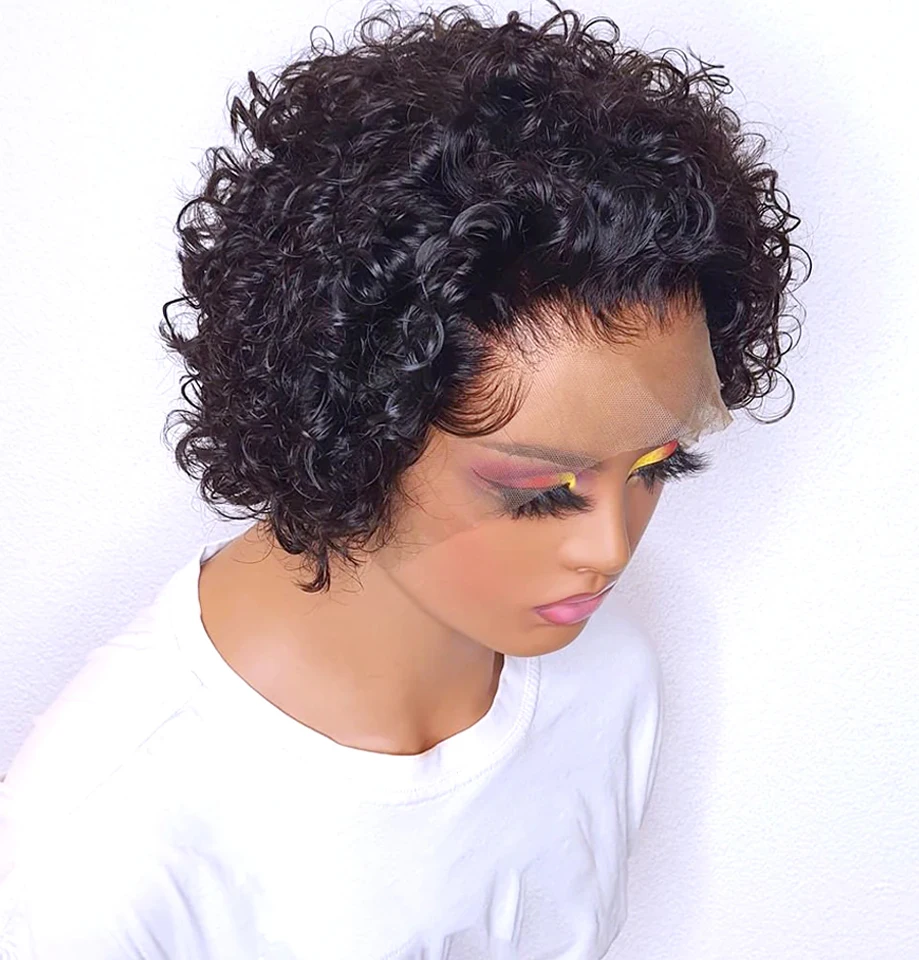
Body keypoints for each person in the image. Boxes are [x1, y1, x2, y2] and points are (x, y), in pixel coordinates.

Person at [0, 3, 807, 957]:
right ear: (354, 427)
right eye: (536, 491)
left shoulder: (609, 676)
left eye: (656, 466)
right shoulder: (93, 861)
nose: (609, 550)